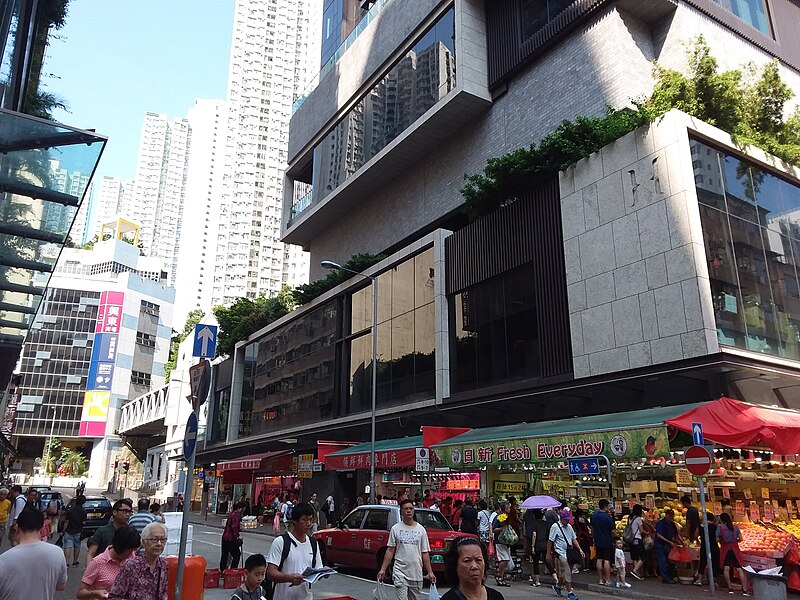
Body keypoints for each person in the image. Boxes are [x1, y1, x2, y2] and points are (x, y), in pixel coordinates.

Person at [0, 507, 67, 598]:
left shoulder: (4, 559)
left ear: (17, 527)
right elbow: (61, 586)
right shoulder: (57, 553)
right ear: (42, 527)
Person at [378, 498, 436, 600]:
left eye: (411, 508)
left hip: (416, 573)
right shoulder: (395, 529)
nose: (409, 511)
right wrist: (383, 569)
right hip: (400, 572)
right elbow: (390, 550)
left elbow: (425, 553)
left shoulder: (421, 530)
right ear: (401, 511)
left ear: (413, 511)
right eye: (406, 509)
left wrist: (430, 572)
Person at [267, 502, 323, 600]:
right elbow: (270, 573)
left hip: (305, 597)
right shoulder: (281, 542)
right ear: (295, 521)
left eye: (310, 519)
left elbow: (317, 570)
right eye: (304, 519)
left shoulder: (313, 544)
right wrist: (289, 578)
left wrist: (323, 573)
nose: (308, 523)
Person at [108, 521, 169, 600]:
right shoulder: (131, 565)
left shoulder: (163, 565)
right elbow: (114, 597)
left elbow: (163, 594)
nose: (159, 543)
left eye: (163, 539)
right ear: (143, 542)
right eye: (154, 539)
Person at [77, 526, 141, 599]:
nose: (132, 554)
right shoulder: (98, 562)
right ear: (120, 547)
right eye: (129, 551)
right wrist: (95, 593)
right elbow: (80, 593)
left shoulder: (133, 559)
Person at [442, 536, 505, 600]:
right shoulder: (449, 598)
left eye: (478, 560)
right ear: (455, 566)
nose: (474, 566)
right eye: (467, 561)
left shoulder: (496, 596)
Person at [547, 509, 585, 600]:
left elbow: (574, 539)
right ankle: (570, 592)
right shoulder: (555, 527)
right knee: (567, 573)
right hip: (560, 553)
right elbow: (550, 541)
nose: (568, 521)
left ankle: (558, 585)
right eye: (566, 519)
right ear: (562, 518)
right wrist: (548, 553)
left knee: (563, 574)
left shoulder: (569, 527)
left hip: (569, 552)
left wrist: (580, 549)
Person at [86, 498, 133, 566]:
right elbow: (91, 553)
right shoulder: (102, 531)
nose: (128, 514)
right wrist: (89, 572)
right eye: (125, 511)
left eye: (130, 512)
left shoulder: (130, 532)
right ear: (114, 512)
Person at [717, 513, 749, 596]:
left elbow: (717, 539)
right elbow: (741, 539)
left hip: (725, 550)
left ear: (721, 520)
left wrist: (723, 541)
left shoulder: (720, 528)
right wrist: (735, 541)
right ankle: (745, 590)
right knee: (739, 569)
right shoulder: (735, 527)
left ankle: (730, 588)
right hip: (735, 549)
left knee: (726, 568)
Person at [590, 499, 615, 586]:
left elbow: (592, 529)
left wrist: (594, 537)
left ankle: (600, 579)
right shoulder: (608, 518)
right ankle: (608, 580)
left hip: (598, 540)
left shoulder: (593, 516)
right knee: (607, 560)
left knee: (599, 559)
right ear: (605, 507)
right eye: (608, 506)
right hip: (607, 541)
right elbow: (613, 531)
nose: (609, 508)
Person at [655, 509, 683, 584]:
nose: (671, 517)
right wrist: (669, 542)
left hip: (668, 545)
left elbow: (676, 534)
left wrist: (681, 541)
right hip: (660, 544)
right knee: (663, 560)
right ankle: (665, 578)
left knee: (670, 560)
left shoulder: (672, 524)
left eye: (672, 516)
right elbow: (659, 535)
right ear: (666, 515)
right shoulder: (661, 523)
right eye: (670, 516)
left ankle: (670, 576)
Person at [528, 509, 552, 587]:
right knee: (547, 562)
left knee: (535, 563)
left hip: (537, 545)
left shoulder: (534, 524)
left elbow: (534, 535)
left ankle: (537, 581)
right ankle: (556, 579)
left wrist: (532, 546)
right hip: (545, 544)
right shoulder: (546, 524)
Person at [695, 511, 720, 587]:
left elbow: (695, 534)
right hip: (714, 546)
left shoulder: (700, 526)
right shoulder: (715, 527)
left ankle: (699, 580)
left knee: (703, 562)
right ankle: (714, 581)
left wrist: (698, 541)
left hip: (704, 546)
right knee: (714, 563)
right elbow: (717, 537)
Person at [490, 502, 512, 586]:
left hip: (506, 542)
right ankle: (499, 575)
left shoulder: (507, 517)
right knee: (504, 559)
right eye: (508, 508)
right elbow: (494, 529)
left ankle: (502, 576)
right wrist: (503, 528)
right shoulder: (498, 517)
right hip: (499, 541)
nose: (509, 509)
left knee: (506, 560)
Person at [63, 494, 87, 566]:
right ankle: (75, 561)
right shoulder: (83, 512)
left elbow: (66, 522)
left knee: (67, 546)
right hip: (78, 531)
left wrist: (63, 530)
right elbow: (84, 522)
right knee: (77, 547)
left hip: (68, 531)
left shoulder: (70, 511)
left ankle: (67, 562)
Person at [220, 501, 245, 572]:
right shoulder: (236, 515)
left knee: (225, 555)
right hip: (230, 539)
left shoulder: (232, 514)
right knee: (237, 554)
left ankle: (223, 571)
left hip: (225, 537)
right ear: (240, 508)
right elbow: (234, 527)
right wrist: (237, 536)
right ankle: (232, 570)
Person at [627, 504, 645, 580]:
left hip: (631, 539)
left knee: (634, 557)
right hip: (637, 539)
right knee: (643, 557)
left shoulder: (629, 518)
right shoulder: (638, 519)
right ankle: (634, 571)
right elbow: (641, 531)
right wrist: (646, 533)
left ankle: (636, 574)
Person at [572, 509, 592, 574]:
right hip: (586, 536)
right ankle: (587, 566)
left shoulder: (575, 520)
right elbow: (589, 526)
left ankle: (583, 565)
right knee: (587, 551)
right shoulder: (584, 520)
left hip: (579, 537)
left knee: (581, 551)